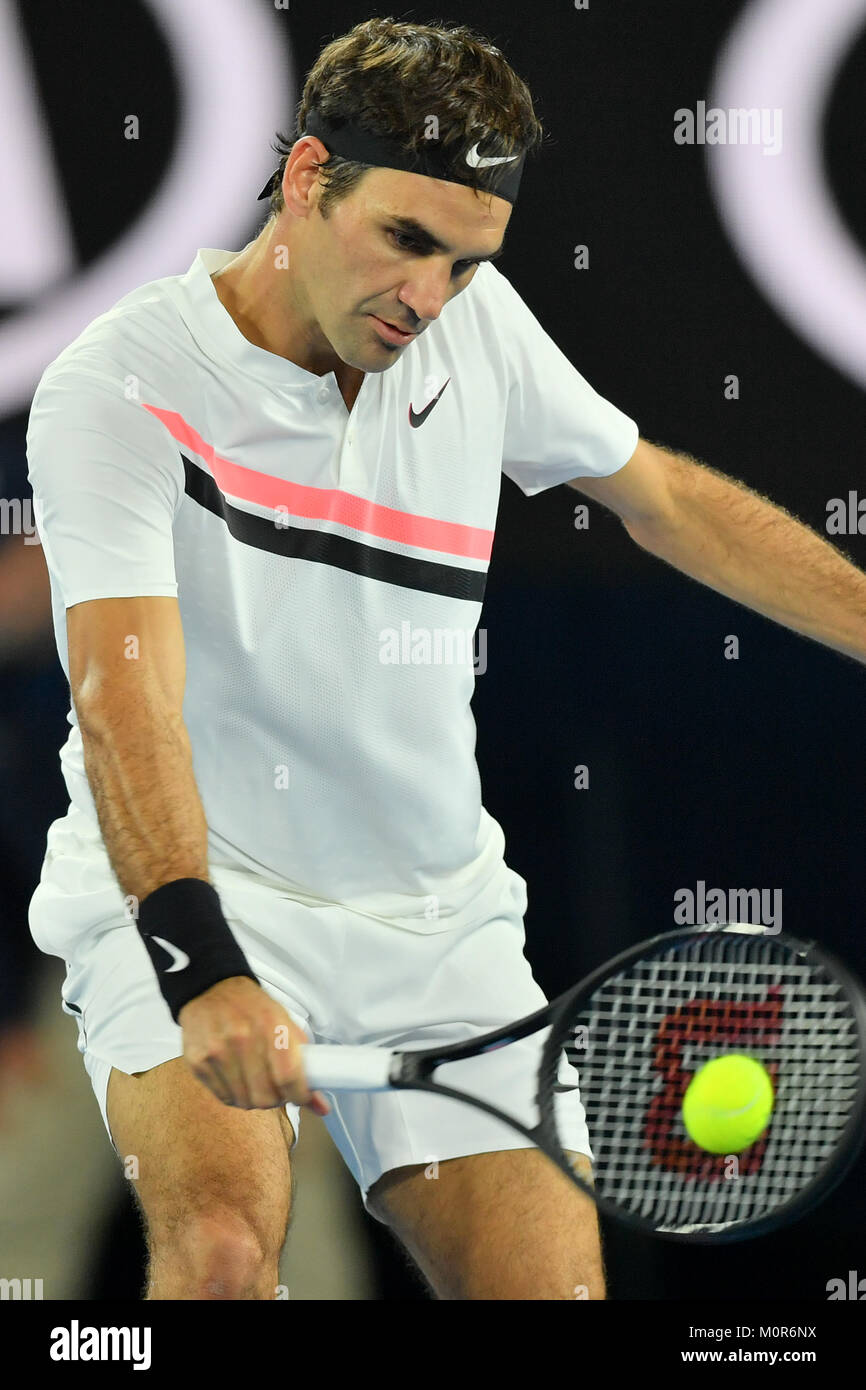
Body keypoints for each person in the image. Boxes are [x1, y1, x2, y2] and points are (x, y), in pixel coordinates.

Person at [29, 16, 865, 1303]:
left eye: (467, 263)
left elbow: (666, 503)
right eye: (405, 240)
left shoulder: (475, 333)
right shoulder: (120, 383)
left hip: (437, 931)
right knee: (221, 1254)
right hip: (202, 893)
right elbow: (121, 693)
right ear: (308, 178)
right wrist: (203, 964)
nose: (427, 299)